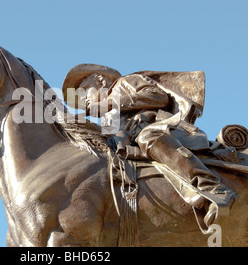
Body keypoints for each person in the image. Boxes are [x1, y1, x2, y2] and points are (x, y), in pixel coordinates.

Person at [62, 63, 237, 228]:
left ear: (99, 80)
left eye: (84, 93)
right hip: (133, 145)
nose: (83, 100)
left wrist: (110, 103)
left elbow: (157, 97)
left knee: (149, 137)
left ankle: (212, 188)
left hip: (158, 130)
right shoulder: (106, 117)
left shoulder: (124, 83)